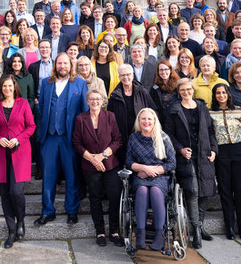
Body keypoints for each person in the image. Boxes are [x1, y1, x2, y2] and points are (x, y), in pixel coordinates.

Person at [35, 52, 88, 225]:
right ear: (55, 65)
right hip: (50, 137)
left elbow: (84, 110)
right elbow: (41, 107)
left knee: (72, 175)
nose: (62, 66)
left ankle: (72, 210)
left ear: (70, 65)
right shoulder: (46, 83)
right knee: (48, 176)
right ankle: (47, 210)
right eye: (59, 63)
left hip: (70, 137)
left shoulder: (79, 83)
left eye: (65, 63)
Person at [164, 78, 217, 248]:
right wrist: (180, 149)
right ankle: (196, 229)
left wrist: (214, 149)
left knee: (204, 192)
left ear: (193, 90)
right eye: (182, 90)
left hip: (204, 155)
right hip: (186, 157)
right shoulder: (174, 109)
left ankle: (199, 229)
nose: (186, 92)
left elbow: (210, 130)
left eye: (188, 89)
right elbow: (169, 134)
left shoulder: (202, 107)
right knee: (193, 191)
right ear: (178, 92)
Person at [0, 75, 36, 247]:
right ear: (0, 88)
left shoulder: (22, 104)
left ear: (14, 87)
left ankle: (20, 221)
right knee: (5, 194)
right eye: (4, 86)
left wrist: (18, 139)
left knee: (16, 191)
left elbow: (31, 126)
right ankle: (11, 230)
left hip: (19, 151)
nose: (7, 89)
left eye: (10, 86)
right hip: (0, 153)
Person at [72, 89, 123, 247]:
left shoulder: (110, 117)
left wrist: (102, 156)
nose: (95, 102)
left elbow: (117, 140)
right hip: (89, 165)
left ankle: (114, 230)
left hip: (110, 164)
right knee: (95, 198)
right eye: (92, 99)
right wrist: (93, 159)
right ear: (87, 101)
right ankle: (99, 231)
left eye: (98, 99)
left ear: (102, 101)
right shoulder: (80, 119)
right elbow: (77, 143)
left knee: (114, 196)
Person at [125, 108, 177, 252]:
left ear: (154, 121)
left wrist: (152, 171)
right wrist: (144, 168)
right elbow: (129, 161)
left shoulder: (163, 138)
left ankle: (159, 236)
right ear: (139, 121)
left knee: (155, 191)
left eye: (149, 119)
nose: (146, 121)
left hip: (159, 177)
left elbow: (172, 163)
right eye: (143, 119)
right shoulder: (134, 138)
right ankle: (140, 235)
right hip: (140, 176)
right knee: (141, 191)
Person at [210, 83, 241, 240]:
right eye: (218, 93)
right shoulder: (211, 113)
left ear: (228, 94)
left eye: (223, 92)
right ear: (215, 96)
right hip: (222, 152)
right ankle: (230, 227)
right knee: (226, 191)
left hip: (239, 151)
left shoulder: (238, 109)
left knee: (240, 190)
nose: (221, 95)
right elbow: (211, 134)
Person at [108, 64, 155, 166]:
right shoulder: (114, 95)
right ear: (119, 77)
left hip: (141, 135)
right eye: (123, 75)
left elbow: (153, 112)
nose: (126, 78)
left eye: (128, 74)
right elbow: (110, 118)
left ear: (133, 75)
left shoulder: (142, 92)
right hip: (122, 136)